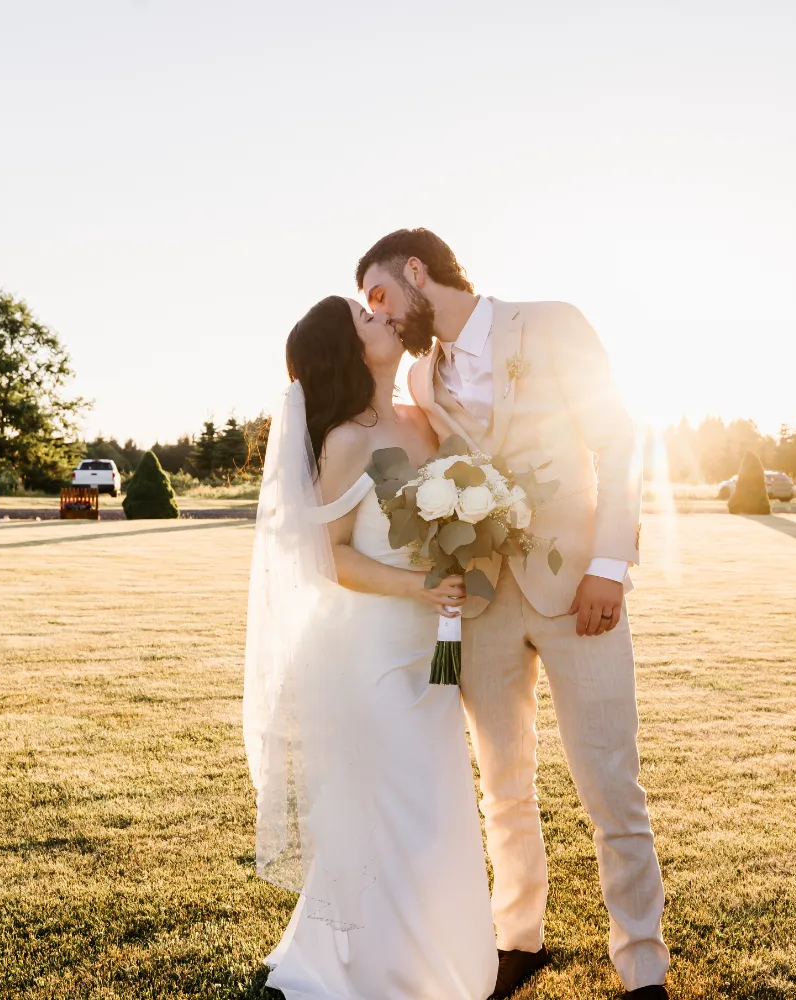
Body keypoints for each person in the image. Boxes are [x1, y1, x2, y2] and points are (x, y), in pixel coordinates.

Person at [357, 229, 671, 1000]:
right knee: (502, 783)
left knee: (609, 783)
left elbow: (618, 442)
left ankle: (642, 965)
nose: (383, 317)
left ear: (417, 271)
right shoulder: (424, 382)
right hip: (485, 601)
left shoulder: (554, 322)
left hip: (578, 593)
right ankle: (518, 939)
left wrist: (609, 565)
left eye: (379, 296)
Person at [245, 295, 496, 999]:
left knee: (439, 803)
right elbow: (327, 558)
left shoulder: (422, 417)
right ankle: (372, 970)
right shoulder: (346, 439)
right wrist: (417, 584)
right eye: (365, 317)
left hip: (437, 644)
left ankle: (438, 956)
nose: (383, 318)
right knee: (392, 801)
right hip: (374, 651)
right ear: (349, 351)